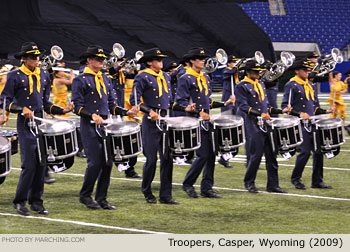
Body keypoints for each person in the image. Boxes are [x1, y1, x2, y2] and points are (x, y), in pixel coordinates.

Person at [0, 42, 73, 216]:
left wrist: (62, 110)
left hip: (41, 122)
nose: (37, 59)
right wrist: (21, 109)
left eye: (37, 56)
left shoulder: (44, 75)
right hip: (25, 125)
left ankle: (36, 201)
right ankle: (20, 201)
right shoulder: (14, 76)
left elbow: (46, 104)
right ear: (24, 59)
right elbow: (5, 100)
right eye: (33, 57)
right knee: (29, 166)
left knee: (42, 163)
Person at [72, 45, 137, 210]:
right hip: (90, 124)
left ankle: (102, 198)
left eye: (103, 59)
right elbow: (77, 107)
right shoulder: (80, 79)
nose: (101, 61)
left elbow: (112, 105)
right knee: (94, 162)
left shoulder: (106, 78)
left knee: (108, 162)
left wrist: (127, 111)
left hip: (107, 124)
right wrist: (91, 115)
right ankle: (85, 195)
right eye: (98, 59)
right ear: (89, 60)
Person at [130, 48, 190, 205]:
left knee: (167, 158)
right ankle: (147, 191)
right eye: (158, 60)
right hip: (151, 122)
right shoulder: (142, 77)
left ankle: (166, 195)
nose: (161, 62)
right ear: (149, 62)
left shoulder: (165, 76)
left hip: (165, 120)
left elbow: (169, 102)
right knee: (151, 159)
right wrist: (149, 112)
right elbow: (134, 100)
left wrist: (185, 108)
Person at [175, 47, 234, 199]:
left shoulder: (205, 77)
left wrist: (225, 103)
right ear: (191, 61)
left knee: (211, 155)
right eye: (199, 59)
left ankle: (207, 188)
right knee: (201, 155)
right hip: (194, 122)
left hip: (207, 121)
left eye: (203, 58)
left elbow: (208, 102)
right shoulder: (185, 78)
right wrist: (197, 112)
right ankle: (188, 183)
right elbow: (181, 102)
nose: (203, 61)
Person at [235, 60, 287, 193]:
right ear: (247, 72)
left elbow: (267, 106)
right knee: (256, 155)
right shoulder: (242, 86)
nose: (258, 74)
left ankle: (273, 185)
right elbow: (244, 106)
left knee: (272, 154)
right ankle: (249, 183)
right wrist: (260, 114)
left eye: (259, 72)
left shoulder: (261, 84)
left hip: (266, 123)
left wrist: (281, 111)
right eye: (255, 72)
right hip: (252, 123)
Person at [281, 59, 333, 190]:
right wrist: (300, 114)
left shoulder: (310, 84)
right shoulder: (291, 85)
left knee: (319, 151)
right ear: (297, 71)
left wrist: (325, 111)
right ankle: (296, 178)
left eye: (309, 70)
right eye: (305, 70)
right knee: (304, 152)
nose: (307, 72)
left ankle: (317, 181)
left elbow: (314, 107)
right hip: (300, 124)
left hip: (313, 122)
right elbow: (285, 107)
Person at [109, 58, 141, 179]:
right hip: (111, 112)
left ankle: (128, 168)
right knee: (116, 141)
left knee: (125, 140)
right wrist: (120, 65)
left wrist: (134, 66)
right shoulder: (110, 73)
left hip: (120, 111)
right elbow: (113, 72)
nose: (121, 64)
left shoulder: (122, 73)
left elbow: (135, 75)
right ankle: (123, 165)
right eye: (118, 61)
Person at [218, 54, 240, 168]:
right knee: (227, 132)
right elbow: (229, 73)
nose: (235, 64)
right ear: (228, 63)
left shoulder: (236, 74)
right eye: (233, 62)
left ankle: (227, 156)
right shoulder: (227, 71)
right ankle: (224, 156)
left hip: (236, 104)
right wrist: (237, 67)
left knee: (235, 131)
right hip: (227, 104)